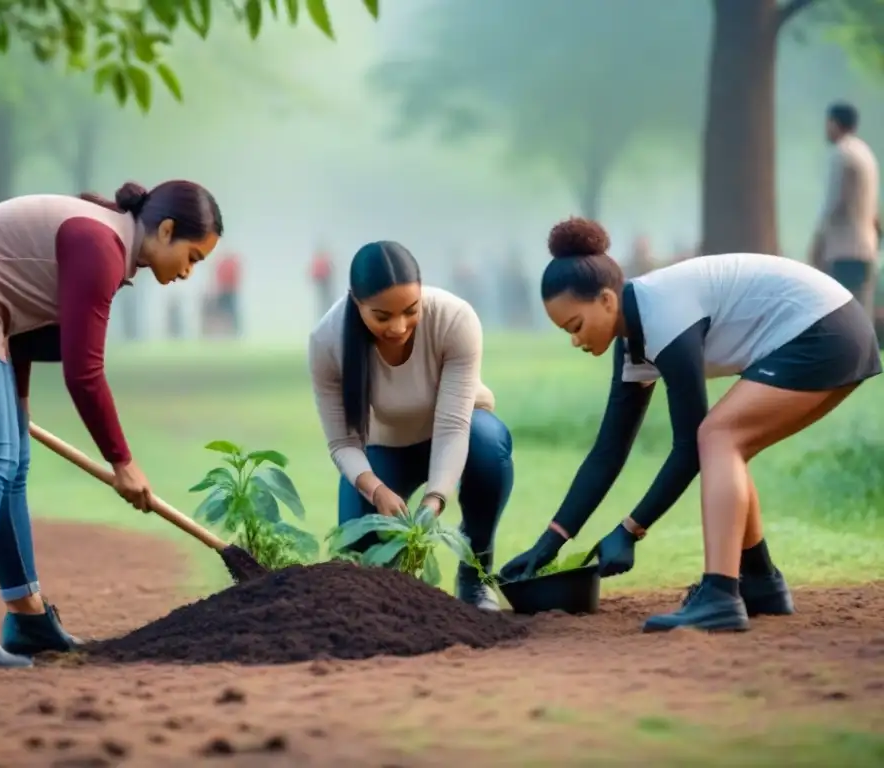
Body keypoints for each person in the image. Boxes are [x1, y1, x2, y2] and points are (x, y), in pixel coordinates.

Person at [0, 180, 223, 673]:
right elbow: (84, 373)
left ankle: (28, 620)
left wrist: (18, 401)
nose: (189, 272)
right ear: (167, 229)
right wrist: (123, 461)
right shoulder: (101, 247)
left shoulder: (110, 245)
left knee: (12, 461)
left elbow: (26, 320)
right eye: (193, 257)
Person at [501, 218, 880, 633]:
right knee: (728, 444)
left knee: (715, 437)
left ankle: (720, 594)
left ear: (607, 301)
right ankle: (760, 580)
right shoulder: (635, 339)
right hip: (832, 329)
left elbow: (687, 448)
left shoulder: (662, 314)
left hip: (825, 330)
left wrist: (629, 529)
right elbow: (608, 452)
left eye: (575, 326)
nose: (575, 340)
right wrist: (551, 541)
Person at [308, 241, 513, 611]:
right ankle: (399, 598)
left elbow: (453, 426)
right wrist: (376, 491)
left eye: (410, 310)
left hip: (457, 435)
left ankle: (474, 575)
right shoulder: (327, 340)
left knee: (488, 443)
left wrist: (436, 498)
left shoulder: (454, 319)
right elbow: (342, 442)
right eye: (382, 316)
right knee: (361, 551)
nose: (399, 326)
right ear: (356, 302)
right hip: (385, 449)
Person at [808, 102, 880, 318]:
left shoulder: (842, 154)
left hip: (845, 249)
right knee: (860, 314)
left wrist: (817, 242)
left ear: (834, 124)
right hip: (866, 247)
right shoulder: (865, 154)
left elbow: (833, 204)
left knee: (842, 314)